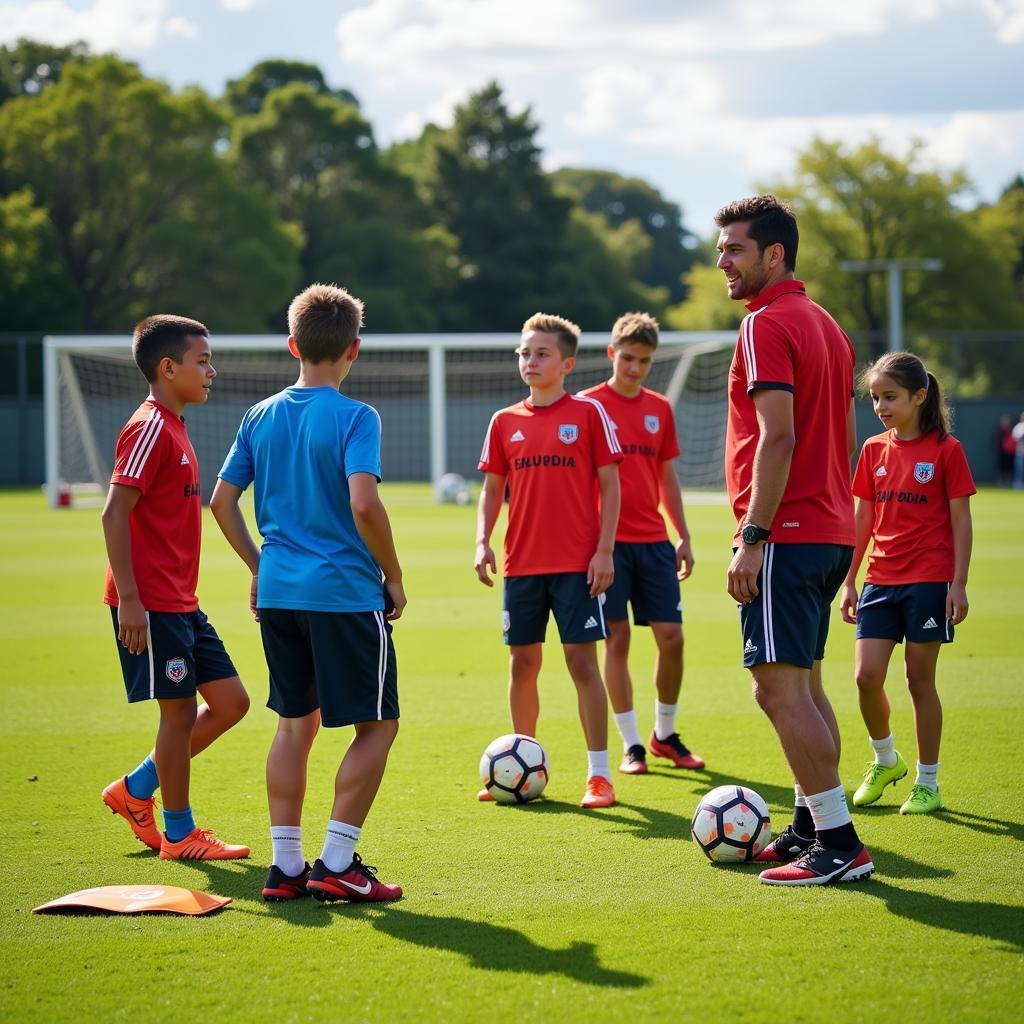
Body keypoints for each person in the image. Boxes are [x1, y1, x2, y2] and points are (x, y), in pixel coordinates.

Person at [211, 283, 405, 903]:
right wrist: (393, 576)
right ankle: (338, 861)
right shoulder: (356, 416)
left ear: (293, 344)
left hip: (279, 594)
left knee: (295, 727)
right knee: (377, 726)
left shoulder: (258, 415)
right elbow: (364, 502)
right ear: (354, 350)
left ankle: (287, 868)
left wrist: (257, 565)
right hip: (344, 594)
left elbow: (220, 501)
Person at [718, 195, 873, 886]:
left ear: (773, 254)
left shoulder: (765, 324)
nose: (723, 261)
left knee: (777, 690)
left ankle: (840, 843)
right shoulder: (828, 325)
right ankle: (812, 825)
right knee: (804, 684)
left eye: (735, 250)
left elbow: (778, 437)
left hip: (786, 531)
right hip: (828, 528)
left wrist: (753, 535)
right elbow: (834, 435)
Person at [101, 315, 250, 861]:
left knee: (232, 703)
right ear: (168, 368)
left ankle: (135, 789)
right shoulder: (147, 427)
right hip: (152, 604)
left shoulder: (176, 424)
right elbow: (114, 513)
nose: (212, 370)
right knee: (180, 713)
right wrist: (132, 600)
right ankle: (179, 832)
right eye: (202, 360)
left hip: (182, 603)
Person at [475, 313, 623, 808]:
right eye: (524, 352)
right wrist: (483, 540)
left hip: (577, 566)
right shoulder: (504, 421)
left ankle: (599, 775)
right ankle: (518, 762)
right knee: (523, 664)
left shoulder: (587, 415)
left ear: (567, 363)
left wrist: (604, 551)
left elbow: (611, 485)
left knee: (582, 663)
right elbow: (492, 489)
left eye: (541, 353)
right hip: (522, 565)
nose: (530, 361)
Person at [840, 353, 975, 814]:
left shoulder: (946, 451)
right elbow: (863, 520)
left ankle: (928, 783)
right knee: (865, 676)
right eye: (875, 397)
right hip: (880, 578)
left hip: (930, 582)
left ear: (920, 397)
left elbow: (961, 521)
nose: (880, 405)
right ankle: (885, 760)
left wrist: (958, 583)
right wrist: (849, 580)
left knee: (919, 681)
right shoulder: (874, 450)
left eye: (890, 396)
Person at [579, 312, 704, 776]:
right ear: (612, 354)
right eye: (628, 358)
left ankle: (663, 734)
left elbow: (666, 476)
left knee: (673, 639)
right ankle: (631, 744)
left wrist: (683, 535)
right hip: (606, 546)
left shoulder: (659, 409)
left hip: (653, 542)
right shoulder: (588, 407)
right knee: (618, 641)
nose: (634, 368)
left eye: (644, 361)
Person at [996, 414, 1015, 485]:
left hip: (1011, 453)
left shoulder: (1012, 431)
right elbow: (998, 442)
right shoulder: (999, 431)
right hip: (1002, 452)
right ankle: (1001, 481)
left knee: (1010, 467)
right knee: (1001, 466)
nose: (1005, 424)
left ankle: (1009, 481)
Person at [1013, 411, 1024, 488]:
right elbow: (1015, 438)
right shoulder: (1018, 426)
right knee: (1019, 468)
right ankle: (1018, 482)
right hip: (1020, 451)